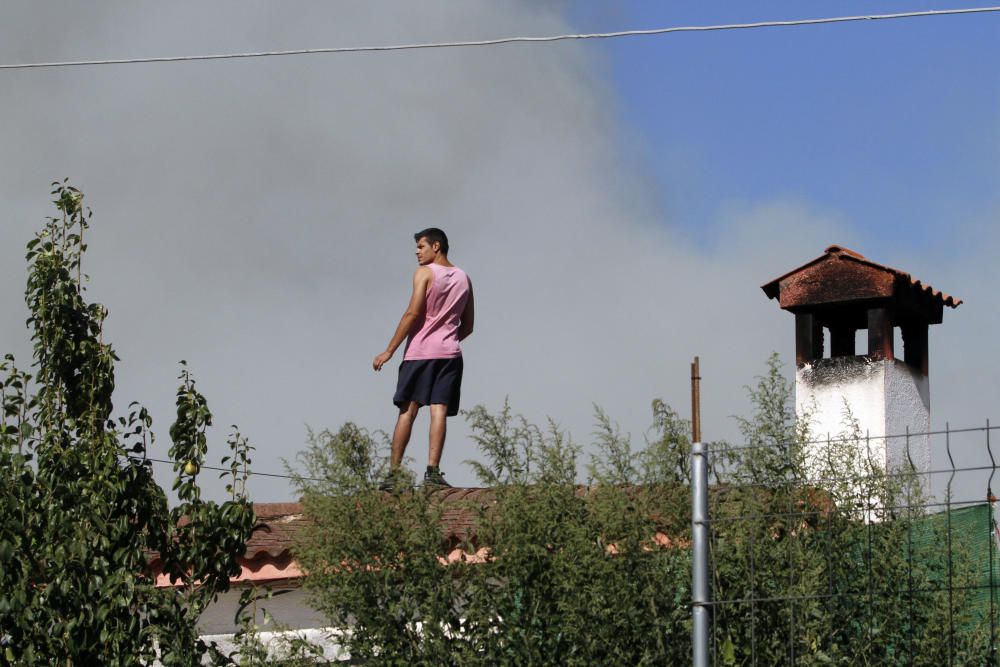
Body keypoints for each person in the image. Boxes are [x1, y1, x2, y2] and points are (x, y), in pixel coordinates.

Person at [373, 228, 474, 489]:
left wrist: (389, 350)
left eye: (421, 246)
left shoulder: (425, 273)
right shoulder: (464, 278)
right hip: (450, 354)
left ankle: (394, 475)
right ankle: (433, 473)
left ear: (436, 246)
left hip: (419, 354)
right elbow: (468, 325)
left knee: (408, 410)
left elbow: (412, 313)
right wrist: (445, 341)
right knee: (439, 410)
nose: (417, 252)